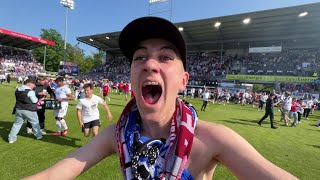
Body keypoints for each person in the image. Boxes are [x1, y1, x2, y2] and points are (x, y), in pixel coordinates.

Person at [25, 17, 297, 180]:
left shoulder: (214, 138)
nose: (149, 64)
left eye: (166, 57)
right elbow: (52, 175)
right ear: (131, 74)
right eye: (139, 57)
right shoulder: (116, 136)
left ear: (183, 80)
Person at [8, 79, 43, 143]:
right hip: (29, 109)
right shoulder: (30, 91)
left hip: (18, 109)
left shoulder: (18, 89)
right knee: (35, 123)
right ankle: (39, 135)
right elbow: (34, 101)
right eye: (33, 84)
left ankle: (11, 139)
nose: (34, 85)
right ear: (29, 83)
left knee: (17, 124)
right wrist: (39, 99)